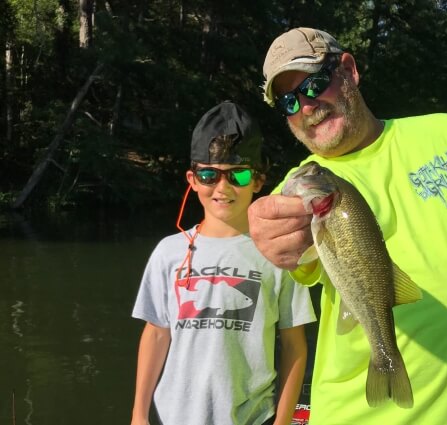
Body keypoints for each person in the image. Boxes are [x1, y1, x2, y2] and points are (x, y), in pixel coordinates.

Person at [247, 27, 447, 424]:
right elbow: (287, 250)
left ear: (349, 70)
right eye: (289, 101)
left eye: (313, 85)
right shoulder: (300, 189)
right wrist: (267, 234)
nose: (306, 107)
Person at [130, 101, 317, 425]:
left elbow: (294, 348)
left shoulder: (278, 254)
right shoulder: (168, 252)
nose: (222, 188)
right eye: (208, 175)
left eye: (237, 175)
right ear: (192, 179)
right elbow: (156, 334)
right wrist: (138, 415)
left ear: (258, 180)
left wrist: (283, 421)